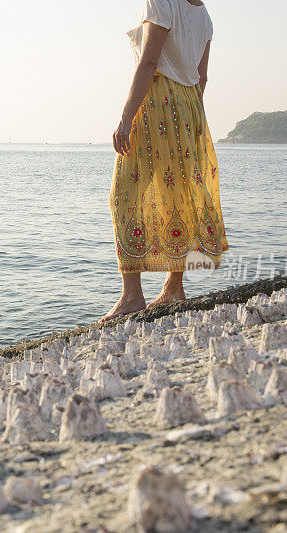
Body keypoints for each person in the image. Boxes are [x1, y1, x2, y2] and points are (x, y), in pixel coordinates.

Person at [101, 0, 229, 322]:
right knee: (179, 197)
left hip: (156, 99)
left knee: (124, 195)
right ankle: (173, 287)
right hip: (189, 105)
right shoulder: (204, 15)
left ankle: (132, 296)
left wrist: (126, 118)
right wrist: (190, 118)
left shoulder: (161, 2)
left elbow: (148, 63)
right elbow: (202, 77)